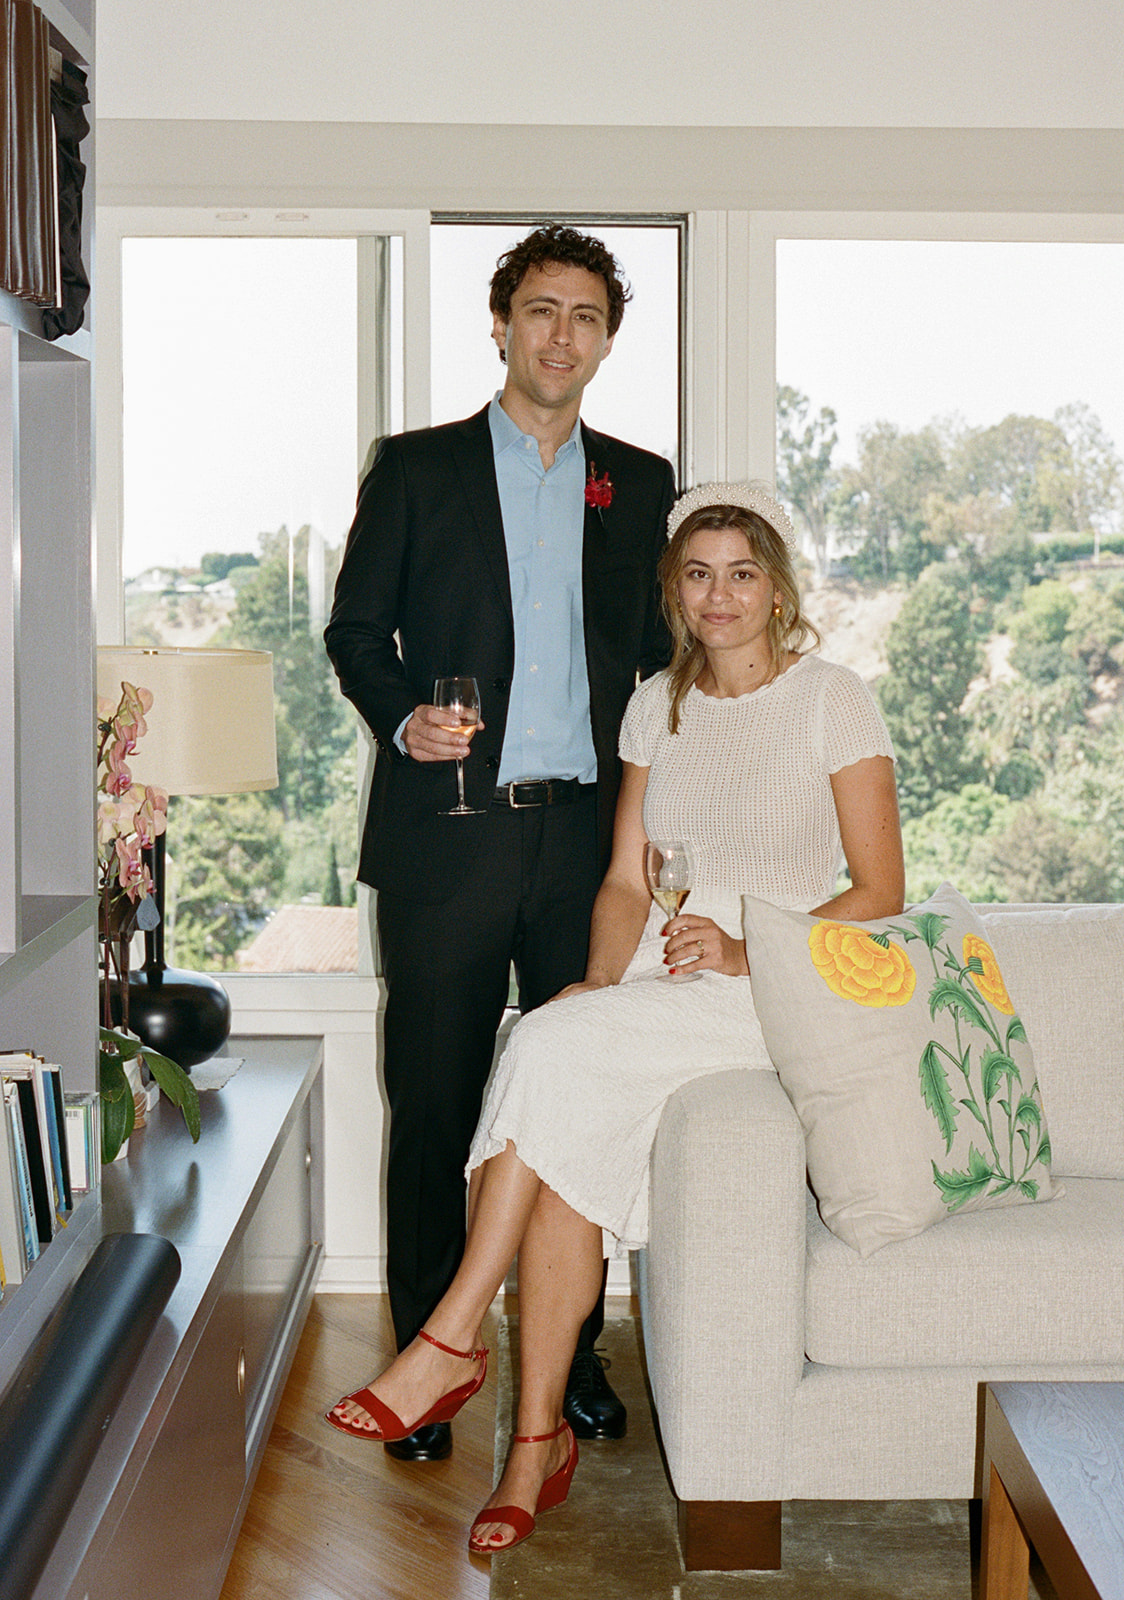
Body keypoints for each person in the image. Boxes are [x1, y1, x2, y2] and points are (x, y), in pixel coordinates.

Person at [325, 482, 905, 1550]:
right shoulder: (657, 705)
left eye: (741, 573)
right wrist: (600, 979)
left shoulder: (833, 698)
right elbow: (627, 885)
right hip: (655, 972)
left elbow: (878, 890)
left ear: (777, 591)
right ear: (673, 593)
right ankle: (535, 1444)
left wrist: (746, 949)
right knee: (564, 1142)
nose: (718, 595)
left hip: (767, 980)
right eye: (696, 574)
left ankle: (453, 1334)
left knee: (540, 1046)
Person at [324, 223, 676, 1460]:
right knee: (435, 1104)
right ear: (501, 322)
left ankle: (565, 1358)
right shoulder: (416, 470)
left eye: (585, 316)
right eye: (540, 310)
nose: (561, 335)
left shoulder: (640, 482)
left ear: (607, 340)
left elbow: (657, 663)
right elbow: (355, 632)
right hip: (446, 842)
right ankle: (427, 1358)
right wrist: (400, 712)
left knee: (574, 1103)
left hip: (584, 848)